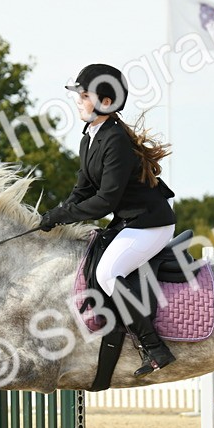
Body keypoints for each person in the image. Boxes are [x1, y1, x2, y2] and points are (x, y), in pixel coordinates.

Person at [39, 63, 177, 376]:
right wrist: (52, 216)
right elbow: (83, 190)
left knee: (108, 273)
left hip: (151, 224)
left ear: (105, 102)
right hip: (129, 222)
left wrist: (62, 215)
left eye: (84, 96)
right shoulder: (89, 137)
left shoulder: (115, 140)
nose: (78, 101)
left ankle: (154, 347)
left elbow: (105, 201)